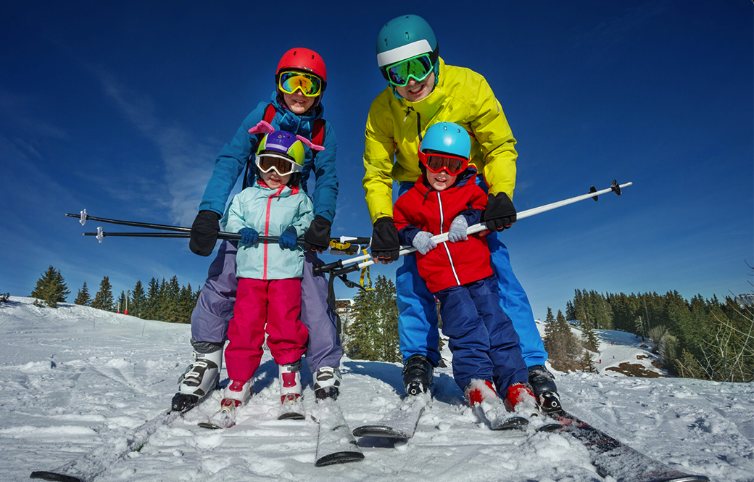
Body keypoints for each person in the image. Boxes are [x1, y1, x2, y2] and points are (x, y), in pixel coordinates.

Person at [363, 14, 560, 412]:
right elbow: (377, 171)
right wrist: (384, 221)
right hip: (414, 193)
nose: (410, 83)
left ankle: (531, 364)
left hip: (466, 189)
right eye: (396, 75)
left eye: (417, 67)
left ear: (434, 58)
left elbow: (500, 145)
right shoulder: (382, 109)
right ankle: (419, 356)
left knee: (492, 271)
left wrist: (500, 193)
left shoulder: (469, 86)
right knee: (414, 275)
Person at [172, 48, 341, 413]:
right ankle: (208, 359)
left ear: (319, 92)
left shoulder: (322, 129)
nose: (299, 91)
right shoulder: (262, 115)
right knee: (223, 278)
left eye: (308, 84)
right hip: (249, 220)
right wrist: (210, 212)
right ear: (278, 85)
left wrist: (320, 220)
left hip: (292, 223)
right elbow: (232, 157)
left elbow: (327, 177)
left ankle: (323, 363)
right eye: (290, 81)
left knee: (310, 288)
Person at [393, 122, 538, 416]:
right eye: (435, 163)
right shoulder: (411, 199)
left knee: (498, 326)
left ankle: (515, 383)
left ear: (463, 167)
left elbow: (483, 210)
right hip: (445, 282)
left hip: (480, 276)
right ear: (423, 159)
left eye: (453, 165)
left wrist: (466, 219)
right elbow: (398, 224)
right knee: (465, 330)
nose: (443, 172)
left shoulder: (470, 191)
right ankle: (478, 382)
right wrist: (413, 235)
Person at [219, 126, 317, 414]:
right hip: (250, 272)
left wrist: (294, 230)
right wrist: (241, 230)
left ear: (294, 171)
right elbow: (230, 219)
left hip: (285, 272)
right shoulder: (246, 197)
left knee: (285, 323)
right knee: (244, 325)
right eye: (267, 163)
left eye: (283, 165)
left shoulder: (299, 200)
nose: (274, 171)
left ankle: (289, 372)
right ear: (258, 164)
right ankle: (240, 378)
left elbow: (307, 222)